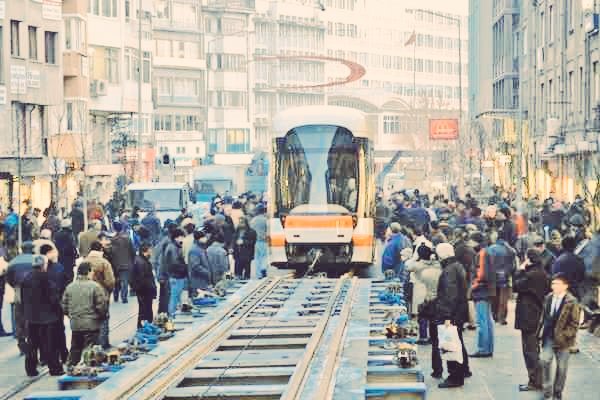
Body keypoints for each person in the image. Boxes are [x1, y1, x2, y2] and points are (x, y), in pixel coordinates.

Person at [433, 243, 470, 388]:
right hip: (458, 312)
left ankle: (455, 377)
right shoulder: (457, 266)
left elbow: (450, 294)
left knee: (450, 344)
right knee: (457, 341)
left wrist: (447, 316)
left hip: (451, 314)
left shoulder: (449, 270)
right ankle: (463, 370)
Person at [513, 248, 550, 392]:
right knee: (534, 349)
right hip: (538, 314)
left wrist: (520, 269)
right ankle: (538, 380)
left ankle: (535, 381)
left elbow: (516, 285)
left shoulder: (531, 275)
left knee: (530, 350)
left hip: (529, 316)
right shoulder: (543, 273)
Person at [539, 273, 581, 400]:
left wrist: (565, 335)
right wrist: (541, 331)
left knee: (562, 368)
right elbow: (544, 316)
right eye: (553, 283)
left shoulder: (571, 301)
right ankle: (547, 391)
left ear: (565, 286)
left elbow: (574, 323)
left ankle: (557, 393)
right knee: (544, 361)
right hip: (548, 337)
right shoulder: (548, 298)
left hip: (564, 340)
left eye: (557, 284)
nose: (553, 286)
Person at [21, 255, 64, 376]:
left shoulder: (26, 278)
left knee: (32, 344)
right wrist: (58, 311)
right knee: (50, 345)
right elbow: (53, 298)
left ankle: (30, 369)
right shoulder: (46, 278)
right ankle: (55, 369)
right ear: (44, 265)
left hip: (31, 317)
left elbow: (23, 298)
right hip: (47, 317)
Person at [61, 262, 108, 366]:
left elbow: (64, 306)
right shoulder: (95, 287)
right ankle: (93, 367)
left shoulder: (70, 287)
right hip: (92, 324)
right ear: (88, 272)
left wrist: (72, 316)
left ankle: (72, 367)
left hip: (76, 324)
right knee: (93, 350)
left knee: (75, 348)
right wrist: (101, 317)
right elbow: (101, 306)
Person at [406, 242, 441, 346]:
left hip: (420, 291)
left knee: (422, 316)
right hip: (434, 291)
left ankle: (423, 336)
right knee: (433, 316)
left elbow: (407, 266)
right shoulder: (436, 264)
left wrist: (414, 257)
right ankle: (433, 336)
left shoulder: (417, 265)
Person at [38, 243, 69, 362]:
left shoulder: (37, 269)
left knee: (44, 333)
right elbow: (65, 285)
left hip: (42, 307)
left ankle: (45, 357)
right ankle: (63, 355)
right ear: (48, 253)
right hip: (56, 305)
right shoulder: (58, 267)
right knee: (59, 331)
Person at [5, 241, 36, 353]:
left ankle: (21, 341)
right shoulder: (36, 259)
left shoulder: (13, 262)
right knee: (33, 316)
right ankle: (33, 341)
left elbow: (8, 279)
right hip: (34, 292)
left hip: (19, 291)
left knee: (19, 317)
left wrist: (16, 286)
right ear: (32, 249)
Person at [470, 231, 497, 358]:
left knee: (482, 322)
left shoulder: (482, 253)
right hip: (487, 290)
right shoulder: (488, 251)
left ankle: (483, 349)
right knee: (487, 321)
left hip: (481, 290)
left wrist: (473, 286)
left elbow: (481, 274)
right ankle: (488, 348)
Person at [84, 241, 116, 348]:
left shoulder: (84, 261)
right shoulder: (104, 262)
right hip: (102, 294)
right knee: (104, 319)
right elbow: (110, 281)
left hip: (87, 295)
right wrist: (109, 291)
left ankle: (92, 344)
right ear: (101, 250)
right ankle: (103, 344)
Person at [130, 243, 156, 328]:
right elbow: (143, 279)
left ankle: (144, 327)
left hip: (144, 291)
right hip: (144, 291)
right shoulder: (141, 262)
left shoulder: (142, 260)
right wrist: (149, 289)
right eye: (150, 250)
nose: (151, 252)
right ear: (146, 251)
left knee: (144, 310)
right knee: (145, 311)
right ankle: (143, 328)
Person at [164, 228, 187, 317]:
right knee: (174, 297)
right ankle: (172, 315)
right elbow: (175, 263)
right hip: (176, 276)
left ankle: (174, 314)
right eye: (181, 237)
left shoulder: (175, 246)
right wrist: (184, 269)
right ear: (176, 238)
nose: (182, 239)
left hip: (177, 276)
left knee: (176, 297)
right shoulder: (172, 248)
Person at [110, 221, 135, 303]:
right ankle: (124, 298)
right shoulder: (127, 239)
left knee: (116, 280)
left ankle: (116, 296)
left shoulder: (112, 240)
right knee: (125, 281)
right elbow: (132, 252)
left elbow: (111, 252)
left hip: (115, 264)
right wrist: (132, 261)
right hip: (126, 263)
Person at [53, 218, 78, 284]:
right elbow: (72, 246)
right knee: (69, 275)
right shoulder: (69, 234)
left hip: (60, 257)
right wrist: (75, 254)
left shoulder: (57, 234)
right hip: (69, 258)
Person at [250, 205, 268, 278]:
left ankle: (258, 274)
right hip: (264, 240)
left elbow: (251, 231)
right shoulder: (265, 220)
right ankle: (263, 268)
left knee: (257, 258)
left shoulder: (253, 220)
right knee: (264, 256)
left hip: (255, 241)